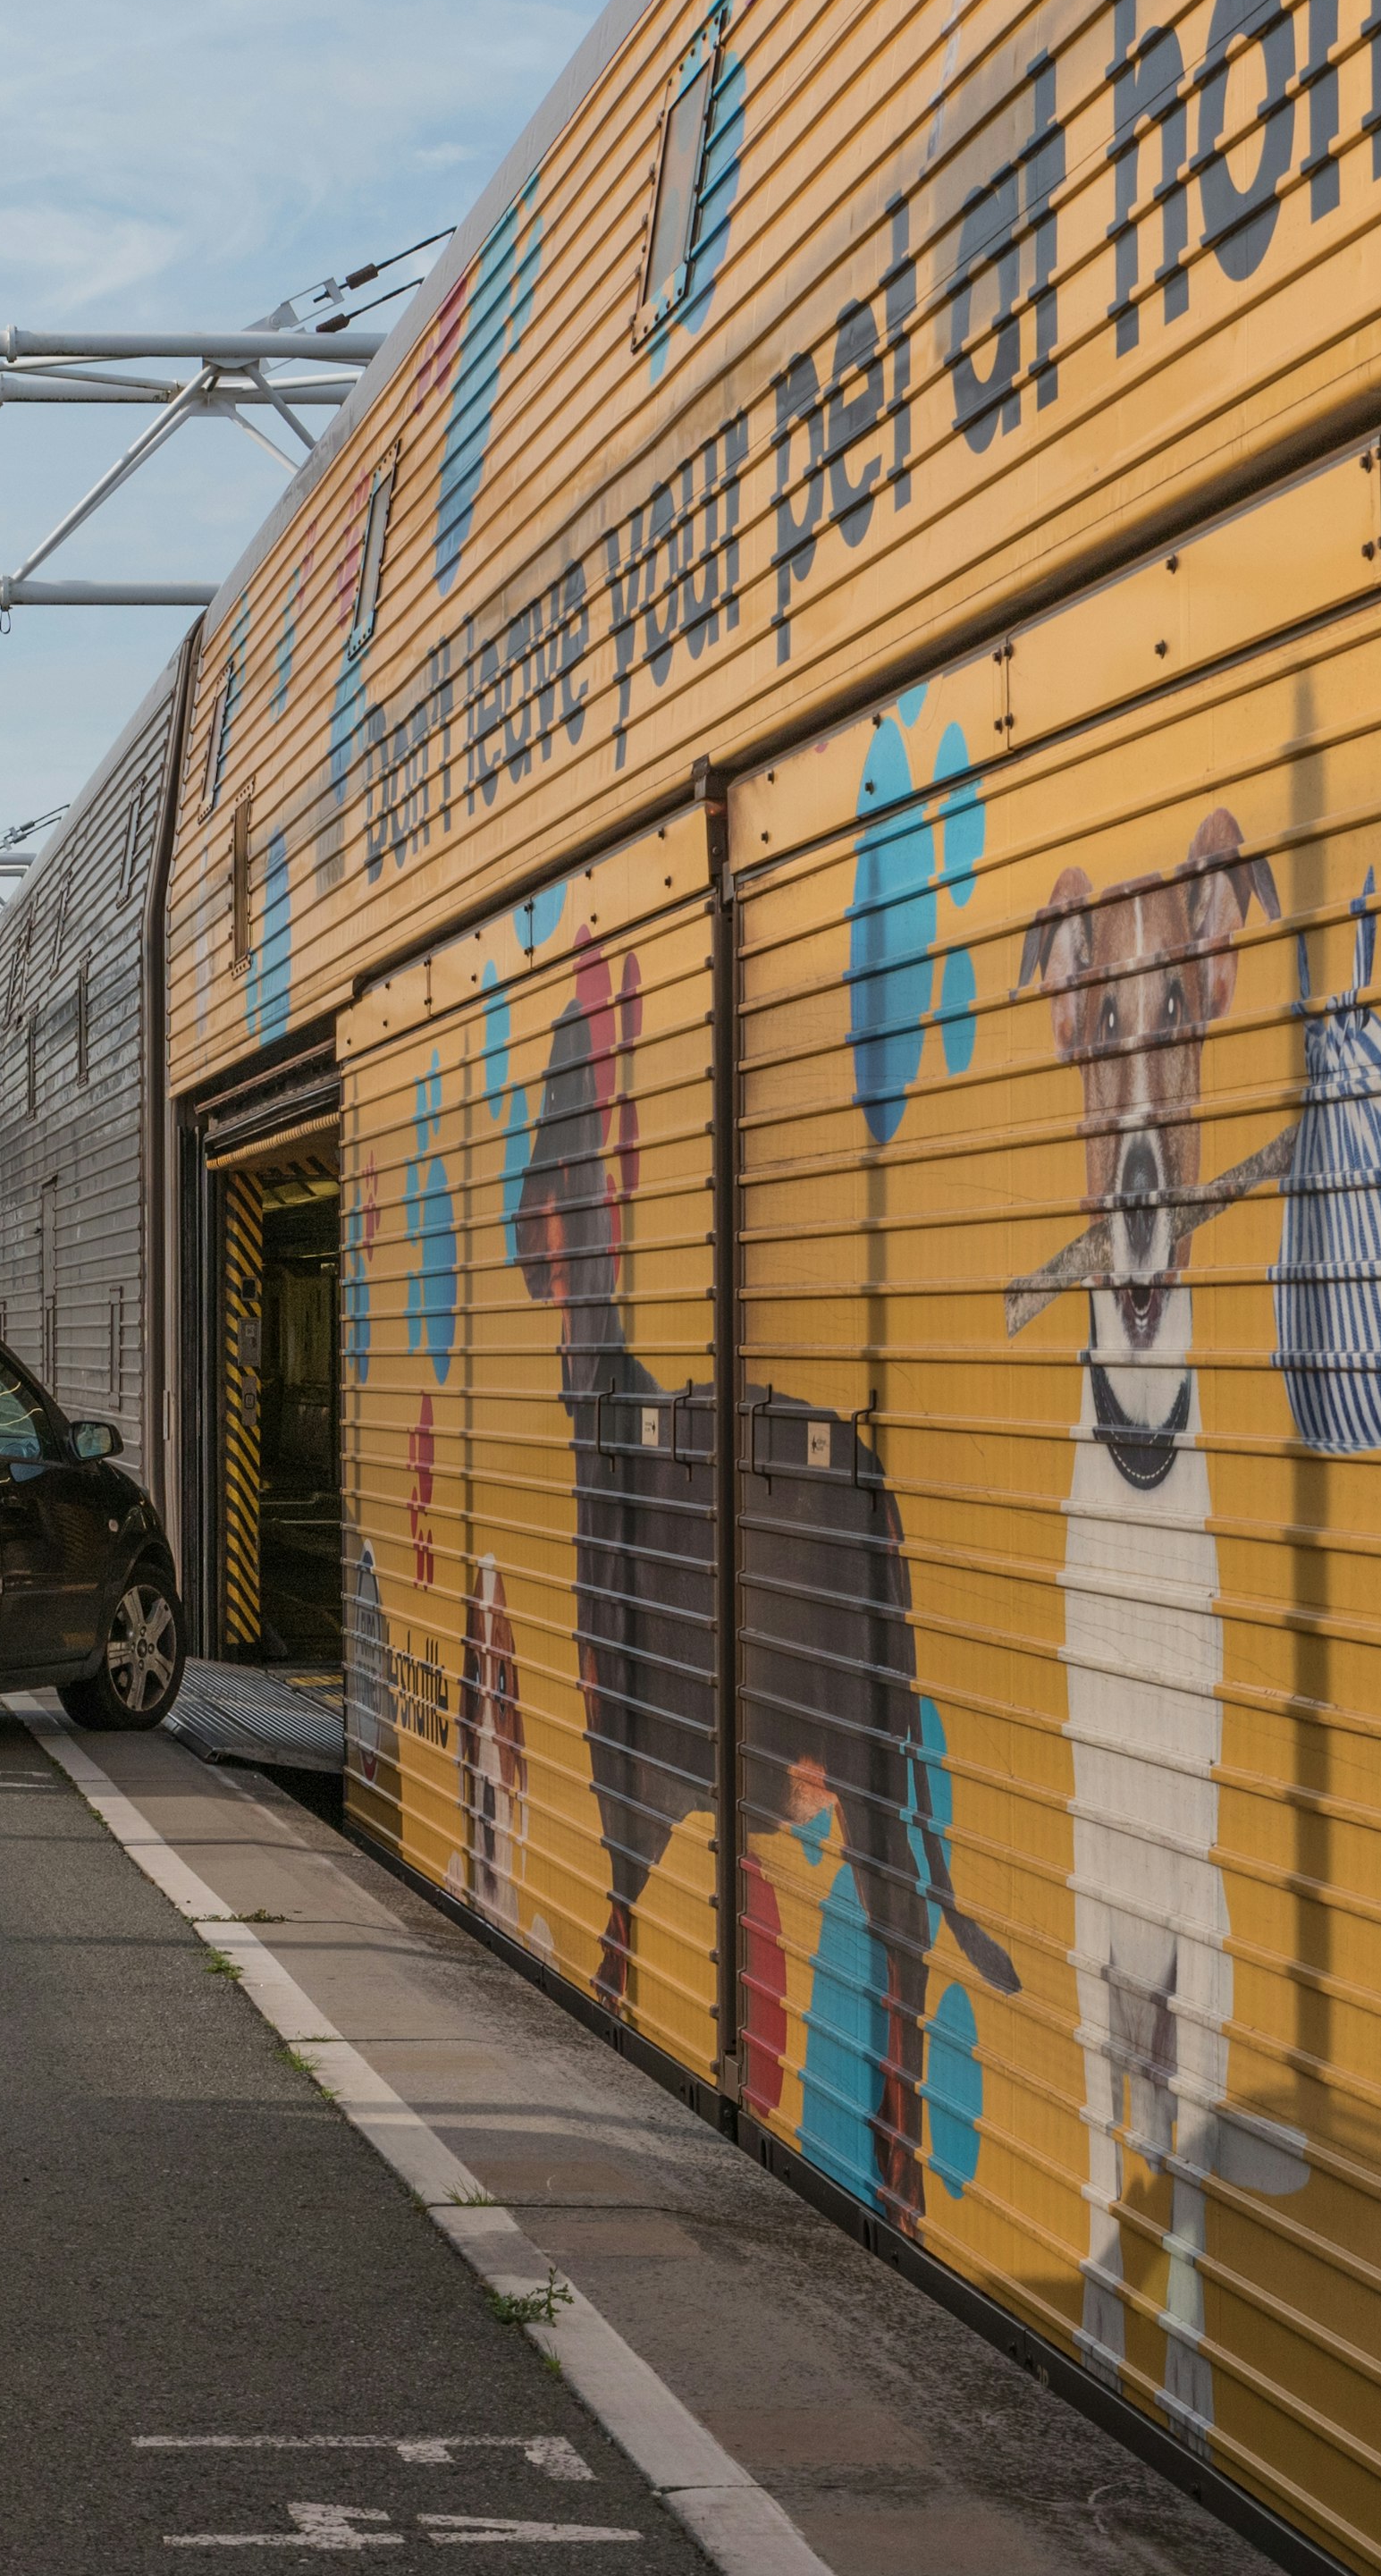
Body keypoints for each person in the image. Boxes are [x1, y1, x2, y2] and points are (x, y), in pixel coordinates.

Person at [508, 933, 1016, 2227]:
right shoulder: (616, 1419)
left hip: (731, 1639)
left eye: (574, 1198)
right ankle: (867, 2119)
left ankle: (866, 2124)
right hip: (711, 1638)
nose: (562, 1235)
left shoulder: (643, 1432)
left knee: (721, 1822)